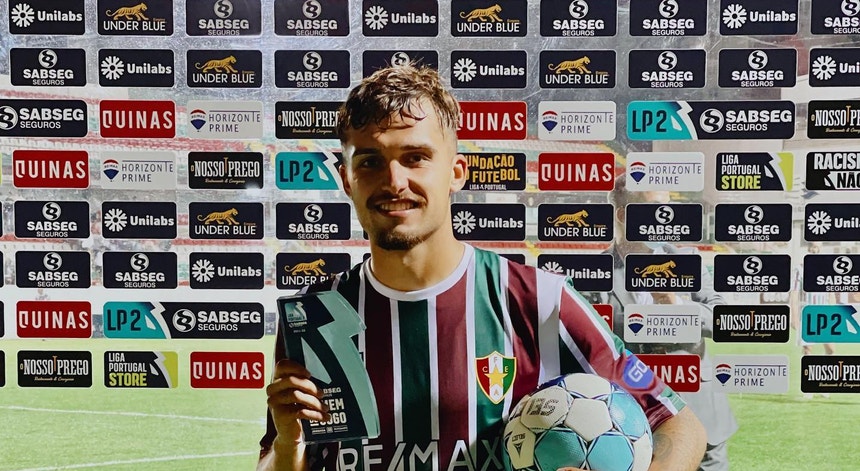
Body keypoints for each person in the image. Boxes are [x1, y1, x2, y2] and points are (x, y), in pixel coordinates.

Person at [258, 64, 706, 471]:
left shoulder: (538, 300)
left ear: (456, 173)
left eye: (415, 158)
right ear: (346, 178)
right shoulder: (314, 316)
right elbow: (273, 462)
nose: (394, 181)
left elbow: (678, 426)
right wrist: (287, 446)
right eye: (371, 162)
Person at [584, 176, 738, 471]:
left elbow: (722, 318)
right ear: (623, 215)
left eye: (668, 208)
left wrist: (676, 305)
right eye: (655, 208)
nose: (666, 218)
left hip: (700, 413)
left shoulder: (689, 260)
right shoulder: (596, 272)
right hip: (631, 420)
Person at [790, 241, 835, 398]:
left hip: (824, 314)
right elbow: (794, 294)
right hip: (808, 313)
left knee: (831, 349)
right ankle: (809, 385)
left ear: (821, 249)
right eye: (812, 247)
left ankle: (824, 383)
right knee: (808, 350)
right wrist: (794, 317)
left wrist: (833, 313)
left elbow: (831, 292)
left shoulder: (826, 269)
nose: (815, 250)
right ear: (808, 249)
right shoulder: (800, 269)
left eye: (817, 247)